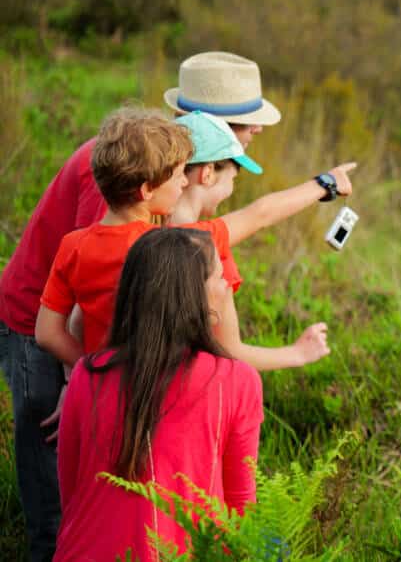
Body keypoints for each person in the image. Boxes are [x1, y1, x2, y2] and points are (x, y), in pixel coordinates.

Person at [0, 50, 283, 561]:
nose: (253, 134)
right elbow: (92, 307)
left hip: (85, 341)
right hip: (37, 321)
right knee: (54, 470)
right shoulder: (123, 203)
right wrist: (83, 378)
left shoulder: (141, 167)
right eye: (244, 123)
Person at [36, 107, 355, 370]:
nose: (182, 185)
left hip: (99, 404)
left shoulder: (73, 246)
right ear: (148, 189)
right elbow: (260, 213)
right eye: (177, 177)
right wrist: (297, 354)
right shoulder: (184, 244)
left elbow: (49, 333)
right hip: (162, 400)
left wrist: (93, 370)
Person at [54, 228, 263, 561]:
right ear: (194, 294)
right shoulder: (237, 382)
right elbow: (240, 507)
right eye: (220, 277)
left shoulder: (87, 374)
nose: (227, 286)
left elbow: (70, 489)